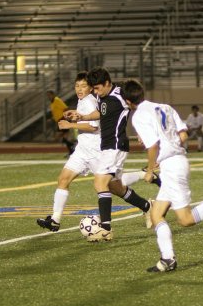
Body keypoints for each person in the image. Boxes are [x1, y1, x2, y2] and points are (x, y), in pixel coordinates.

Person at [122, 78, 203, 273]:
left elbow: (152, 146)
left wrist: (150, 170)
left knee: (185, 219)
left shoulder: (138, 116)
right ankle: (167, 259)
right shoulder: (165, 107)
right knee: (156, 214)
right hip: (176, 162)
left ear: (127, 102)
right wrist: (170, 149)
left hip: (172, 167)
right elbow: (183, 135)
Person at [37, 72, 160, 233]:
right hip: (82, 150)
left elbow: (94, 126)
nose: (80, 89)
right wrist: (79, 116)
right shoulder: (94, 98)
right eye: (77, 85)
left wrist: (71, 125)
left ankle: (142, 200)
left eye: (84, 86)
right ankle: (55, 219)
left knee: (115, 187)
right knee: (64, 179)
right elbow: (97, 115)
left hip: (97, 151)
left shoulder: (97, 99)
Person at [65, 67, 152, 241]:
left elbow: (140, 107)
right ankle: (147, 206)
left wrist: (143, 132)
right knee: (114, 187)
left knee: (99, 183)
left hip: (116, 145)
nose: (95, 92)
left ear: (107, 83)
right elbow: (100, 112)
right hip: (106, 146)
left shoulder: (121, 93)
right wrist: (81, 116)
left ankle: (105, 229)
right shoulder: (101, 95)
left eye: (97, 88)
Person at [46, 89, 76, 156]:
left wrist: (67, 118)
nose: (48, 97)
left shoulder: (57, 100)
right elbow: (56, 113)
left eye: (49, 95)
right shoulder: (52, 103)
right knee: (65, 138)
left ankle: (74, 145)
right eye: (47, 95)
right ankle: (71, 152)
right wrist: (51, 119)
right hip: (59, 121)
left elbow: (65, 108)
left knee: (57, 137)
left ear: (53, 94)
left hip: (63, 120)